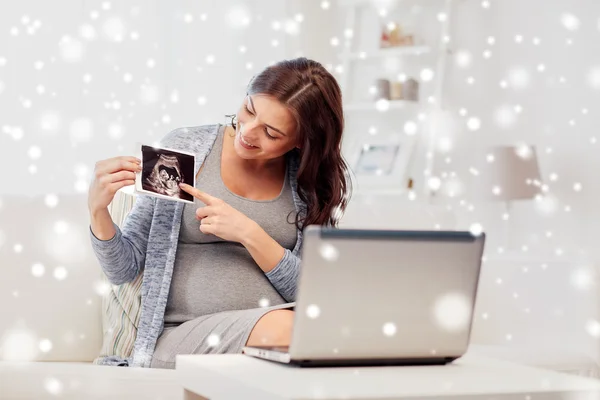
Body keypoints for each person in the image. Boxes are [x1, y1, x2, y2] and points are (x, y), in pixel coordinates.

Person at [88, 57, 352, 369]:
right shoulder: (187, 152)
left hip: (276, 343)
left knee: (318, 330)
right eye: (249, 110)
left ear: (300, 142)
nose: (248, 132)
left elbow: (307, 292)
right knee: (294, 330)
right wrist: (98, 210)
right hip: (183, 339)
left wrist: (250, 234)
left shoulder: (307, 184)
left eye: (271, 132)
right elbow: (124, 268)